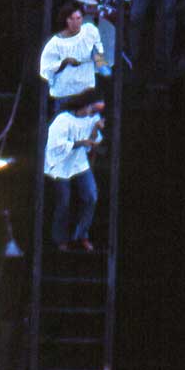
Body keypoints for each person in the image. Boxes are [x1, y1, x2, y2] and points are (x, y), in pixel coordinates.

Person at [44, 91, 104, 252]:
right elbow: (56, 145)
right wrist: (80, 143)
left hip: (78, 162)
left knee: (91, 196)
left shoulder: (92, 118)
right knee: (64, 201)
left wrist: (95, 130)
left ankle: (81, 234)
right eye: (89, 107)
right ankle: (61, 239)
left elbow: (92, 142)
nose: (91, 111)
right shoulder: (63, 120)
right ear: (82, 106)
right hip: (60, 163)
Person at [39, 1, 108, 110]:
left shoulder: (90, 31)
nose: (75, 22)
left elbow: (98, 50)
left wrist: (101, 64)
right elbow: (45, 70)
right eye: (71, 19)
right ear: (65, 20)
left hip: (86, 92)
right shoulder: (55, 44)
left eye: (78, 18)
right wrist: (64, 62)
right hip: (65, 95)